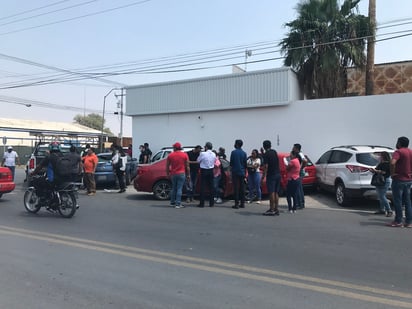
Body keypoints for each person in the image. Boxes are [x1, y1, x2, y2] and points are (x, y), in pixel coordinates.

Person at [388, 136, 412, 227]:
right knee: (408, 201)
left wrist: (392, 173)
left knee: (398, 201)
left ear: (399, 143)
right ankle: (409, 222)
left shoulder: (398, 152)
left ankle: (398, 221)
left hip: (399, 179)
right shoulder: (410, 151)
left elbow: (392, 162)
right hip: (409, 180)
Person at [166, 142, 189, 208]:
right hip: (181, 173)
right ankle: (178, 204)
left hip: (173, 174)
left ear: (175, 148)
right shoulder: (184, 155)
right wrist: (188, 174)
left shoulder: (170, 155)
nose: (173, 148)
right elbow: (187, 166)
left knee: (174, 188)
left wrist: (167, 173)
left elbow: (167, 166)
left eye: (173, 147)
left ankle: (172, 202)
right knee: (179, 188)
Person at [261, 140, 281, 216]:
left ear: (264, 146)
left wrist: (264, 176)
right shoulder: (274, 152)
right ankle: (276, 209)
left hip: (271, 175)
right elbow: (270, 159)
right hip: (277, 174)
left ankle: (271, 209)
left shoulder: (266, 154)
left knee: (271, 192)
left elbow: (266, 166)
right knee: (276, 192)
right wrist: (263, 153)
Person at [370, 151, 392, 216]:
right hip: (379, 180)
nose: (379, 157)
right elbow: (377, 170)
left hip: (384, 180)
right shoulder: (381, 163)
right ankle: (382, 209)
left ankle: (389, 210)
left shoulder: (387, 164)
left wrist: (376, 171)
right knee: (381, 195)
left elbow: (384, 172)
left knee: (382, 196)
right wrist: (373, 170)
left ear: (384, 156)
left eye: (381, 156)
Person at [197, 142, 216, 207]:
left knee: (203, 187)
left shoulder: (203, 153)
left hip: (204, 170)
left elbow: (198, 160)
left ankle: (202, 203)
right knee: (211, 187)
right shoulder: (214, 154)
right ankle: (211, 203)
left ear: (206, 147)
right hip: (211, 170)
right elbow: (214, 161)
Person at [230, 139, 247, 209]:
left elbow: (231, 163)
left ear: (236, 144)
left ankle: (236, 204)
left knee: (236, 188)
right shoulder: (244, 153)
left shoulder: (233, 152)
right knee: (242, 189)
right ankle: (242, 203)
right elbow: (245, 164)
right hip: (242, 172)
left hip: (235, 172)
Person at [292, 143, 307, 209]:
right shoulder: (300, 154)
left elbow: (304, 161)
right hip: (300, 172)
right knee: (299, 188)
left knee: (298, 188)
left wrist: (300, 168)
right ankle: (301, 203)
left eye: (294, 147)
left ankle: (299, 204)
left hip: (299, 173)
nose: (293, 148)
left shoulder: (299, 154)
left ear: (296, 148)